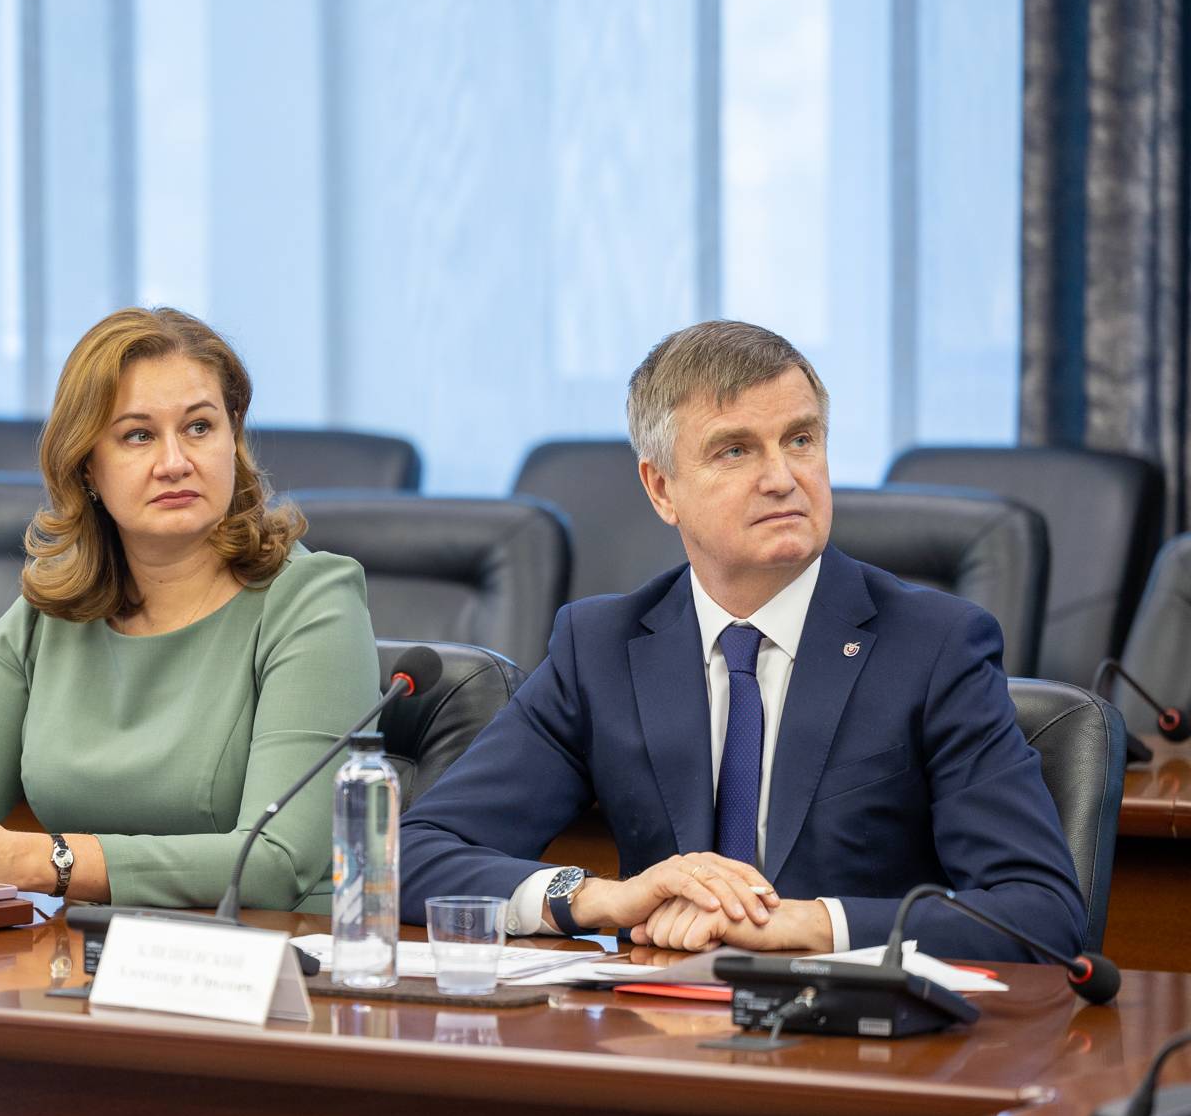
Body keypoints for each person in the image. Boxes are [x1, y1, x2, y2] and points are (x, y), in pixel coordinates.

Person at [400, 320, 1086, 960]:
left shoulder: (934, 646)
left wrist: (808, 923)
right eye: (735, 450)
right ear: (661, 488)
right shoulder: (601, 647)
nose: (782, 479)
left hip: (854, 1031)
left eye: (800, 440)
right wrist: (601, 898)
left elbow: (1041, 913)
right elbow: (414, 856)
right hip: (661, 1025)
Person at [0, 307, 379, 911]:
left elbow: (276, 862)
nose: (175, 461)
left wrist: (37, 861)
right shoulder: (52, 616)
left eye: (200, 427)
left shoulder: (312, 601)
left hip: (268, 954)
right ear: (87, 467)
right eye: (138, 435)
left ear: (233, 439)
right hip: (84, 953)